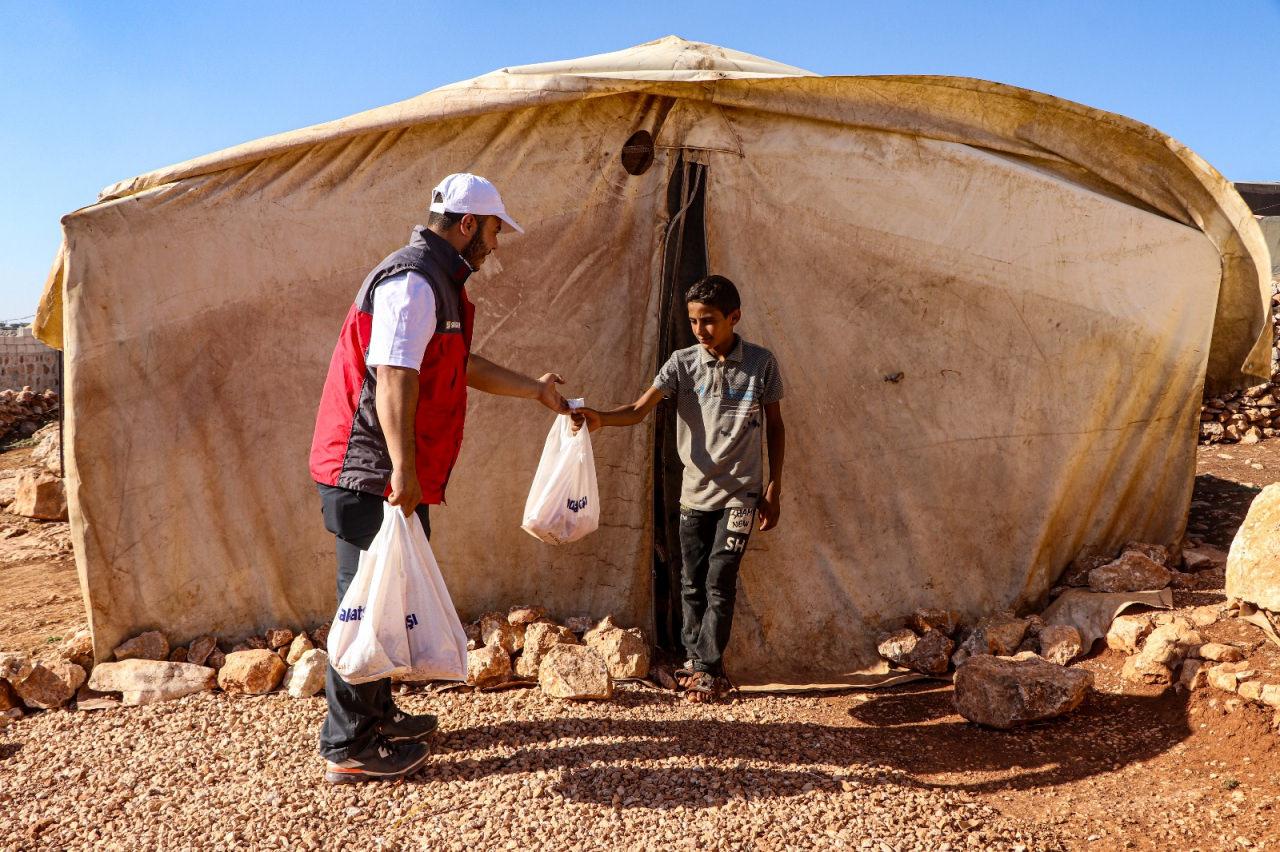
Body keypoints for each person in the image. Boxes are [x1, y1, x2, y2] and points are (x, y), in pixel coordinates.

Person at [309, 173, 568, 783]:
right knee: (365, 603)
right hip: (371, 470)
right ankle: (349, 745)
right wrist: (402, 469)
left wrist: (535, 392)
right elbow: (395, 374)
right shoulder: (412, 281)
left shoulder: (439, 285)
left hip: (395, 471)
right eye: (496, 230)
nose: (498, 245)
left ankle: (379, 716)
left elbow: (458, 363)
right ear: (469, 224)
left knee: (388, 593)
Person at [573, 275, 785, 702]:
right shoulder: (682, 363)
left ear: (734, 318)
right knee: (691, 580)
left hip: (741, 493)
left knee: (721, 578)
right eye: (692, 322)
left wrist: (774, 489)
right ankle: (696, 660)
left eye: (708, 321)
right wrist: (599, 418)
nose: (700, 331)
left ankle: (706, 669)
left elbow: (776, 426)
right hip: (694, 494)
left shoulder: (761, 364)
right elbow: (637, 409)